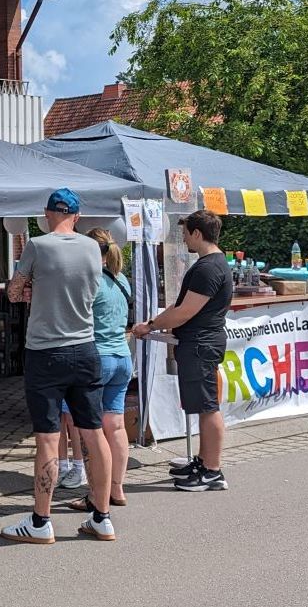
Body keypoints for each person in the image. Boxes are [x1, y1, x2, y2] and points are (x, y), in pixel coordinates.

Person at [1, 188, 115, 544]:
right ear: (78, 217)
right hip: (85, 348)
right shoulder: (93, 248)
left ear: (47, 213)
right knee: (94, 434)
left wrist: (31, 286)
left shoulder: (37, 245)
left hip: (46, 352)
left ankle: (40, 522)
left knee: (49, 440)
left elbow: (14, 293)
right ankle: (102, 516)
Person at [133, 209, 233, 492]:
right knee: (203, 406)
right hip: (200, 344)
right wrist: (155, 323)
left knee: (207, 407)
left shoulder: (208, 268)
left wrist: (151, 325)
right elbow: (179, 309)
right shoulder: (212, 264)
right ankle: (204, 462)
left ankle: (212, 471)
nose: (184, 238)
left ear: (197, 234)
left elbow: (185, 312)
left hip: (200, 344)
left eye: (186, 232)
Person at [69, 227, 134, 511]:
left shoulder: (89, 281)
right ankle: (117, 488)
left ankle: (96, 493)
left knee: (90, 430)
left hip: (97, 359)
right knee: (116, 426)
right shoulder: (122, 280)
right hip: (122, 357)